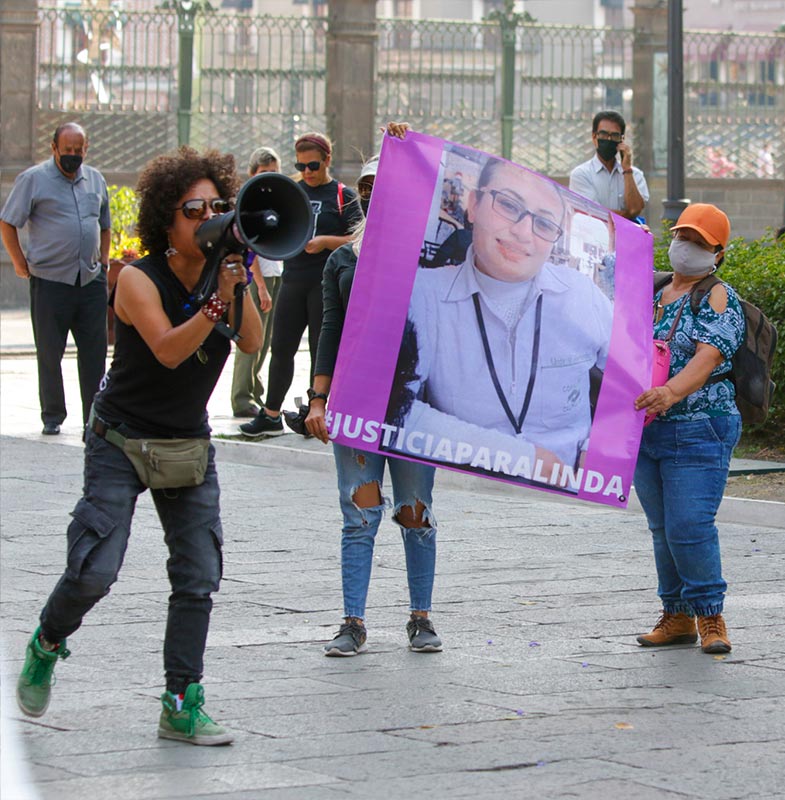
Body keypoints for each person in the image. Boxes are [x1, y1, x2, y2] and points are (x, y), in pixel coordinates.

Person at [14, 147, 263, 746]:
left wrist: (239, 280)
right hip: (120, 440)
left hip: (186, 444)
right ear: (166, 221)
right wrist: (213, 301)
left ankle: (181, 702)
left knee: (198, 573)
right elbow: (170, 350)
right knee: (96, 568)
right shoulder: (134, 279)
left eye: (219, 206)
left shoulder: (228, 272)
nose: (209, 215)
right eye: (193, 208)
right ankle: (48, 640)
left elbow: (253, 340)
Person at [383, 156, 612, 484]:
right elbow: (394, 406)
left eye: (544, 224)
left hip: (567, 496)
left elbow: (632, 378)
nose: (522, 233)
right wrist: (523, 458)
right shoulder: (423, 294)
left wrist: (600, 447)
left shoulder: (582, 295)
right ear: (473, 205)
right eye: (507, 204)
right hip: (465, 490)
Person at [305, 138, 443, 657]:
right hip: (356, 405)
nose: (371, 194)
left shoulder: (430, 258)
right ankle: (352, 622)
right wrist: (318, 399)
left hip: (412, 408)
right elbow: (330, 328)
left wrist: (412, 151)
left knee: (415, 512)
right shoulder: (343, 258)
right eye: (365, 187)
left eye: (383, 185)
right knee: (359, 514)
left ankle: (421, 618)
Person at [633, 203, 745, 655]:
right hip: (646, 429)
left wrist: (672, 392)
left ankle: (710, 616)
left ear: (718, 253)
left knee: (689, 525)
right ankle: (676, 614)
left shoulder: (719, 296)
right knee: (663, 528)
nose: (687, 248)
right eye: (683, 237)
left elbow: (708, 357)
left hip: (701, 426)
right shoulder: (654, 288)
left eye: (700, 243)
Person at [240, 132, 361, 436]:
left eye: (314, 165)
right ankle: (270, 413)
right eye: (301, 165)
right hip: (293, 278)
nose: (307, 171)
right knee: (281, 348)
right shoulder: (291, 192)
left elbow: (360, 238)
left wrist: (325, 242)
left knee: (321, 349)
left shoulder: (342, 196)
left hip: (324, 283)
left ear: (327, 161)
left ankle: (312, 412)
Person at [1, 122, 110, 436]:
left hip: (90, 281)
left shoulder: (96, 180)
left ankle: (95, 417)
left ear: (86, 149)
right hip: (50, 281)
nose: (73, 156)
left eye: (79, 151)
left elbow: (104, 224)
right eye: (67, 151)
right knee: (50, 352)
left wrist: (103, 262)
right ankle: (52, 414)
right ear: (54, 149)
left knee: (94, 352)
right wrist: (20, 263)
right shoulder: (33, 180)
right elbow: (7, 222)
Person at [230, 146, 282, 418]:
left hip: (275, 274)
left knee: (265, 340)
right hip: (255, 278)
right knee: (250, 338)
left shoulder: (276, 199)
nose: (269, 177)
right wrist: (260, 286)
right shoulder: (249, 201)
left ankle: (254, 391)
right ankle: (241, 398)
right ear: (252, 173)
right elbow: (249, 250)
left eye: (274, 172)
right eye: (264, 173)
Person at [568, 110, 649, 221]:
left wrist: (627, 170)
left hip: (624, 237)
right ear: (594, 137)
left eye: (614, 136)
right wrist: (628, 216)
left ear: (621, 140)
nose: (608, 139)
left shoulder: (635, 174)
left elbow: (635, 209)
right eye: (603, 134)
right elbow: (592, 214)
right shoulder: (581, 174)